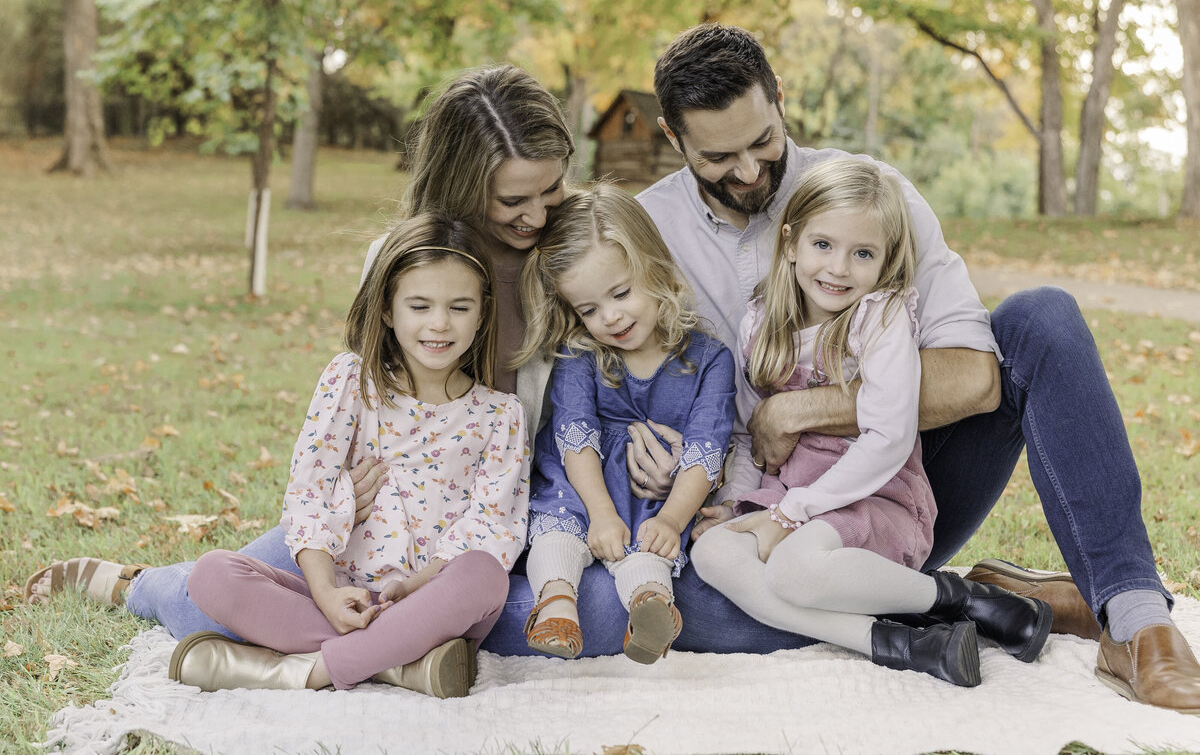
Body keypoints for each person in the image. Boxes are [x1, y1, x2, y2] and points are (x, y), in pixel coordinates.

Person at [630, 22, 1199, 713]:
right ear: (672, 136)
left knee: (1041, 320)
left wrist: (799, 408)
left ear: (779, 98)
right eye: (720, 157)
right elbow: (621, 379)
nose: (749, 173)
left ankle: (1136, 619)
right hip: (755, 502)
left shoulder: (874, 198)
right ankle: (970, 608)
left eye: (763, 142)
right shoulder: (645, 231)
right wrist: (652, 447)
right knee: (699, 610)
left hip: (892, 487)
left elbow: (976, 376)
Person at [23, 63, 575, 637]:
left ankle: (387, 638)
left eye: (552, 189)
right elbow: (359, 413)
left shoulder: (577, 262)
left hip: (503, 520)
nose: (537, 215)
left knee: (586, 617)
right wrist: (344, 500)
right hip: (379, 518)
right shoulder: (399, 261)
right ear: (461, 184)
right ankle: (142, 585)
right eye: (513, 199)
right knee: (203, 607)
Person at [690, 157, 1050, 687]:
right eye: (823, 245)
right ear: (790, 243)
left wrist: (793, 513)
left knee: (795, 570)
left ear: (885, 262)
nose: (838, 268)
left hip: (873, 497)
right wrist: (737, 503)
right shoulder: (761, 322)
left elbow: (889, 437)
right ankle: (905, 644)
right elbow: (750, 434)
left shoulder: (878, 319)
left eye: (862, 254)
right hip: (789, 498)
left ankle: (960, 597)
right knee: (712, 552)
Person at [167, 214, 528, 697]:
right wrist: (328, 594)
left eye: (458, 307)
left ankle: (310, 671)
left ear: (482, 312)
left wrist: (417, 586)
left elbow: (493, 527)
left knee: (483, 574)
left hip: (434, 607)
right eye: (419, 305)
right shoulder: (351, 383)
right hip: (344, 603)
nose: (439, 323)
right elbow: (309, 496)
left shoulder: (499, 415)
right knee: (213, 572)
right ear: (386, 309)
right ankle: (396, 665)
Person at [513, 184, 735, 663]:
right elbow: (575, 435)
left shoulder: (709, 358)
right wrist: (599, 513)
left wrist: (675, 518)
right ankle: (556, 603)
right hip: (582, 486)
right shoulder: (580, 353)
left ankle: (650, 609)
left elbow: (706, 447)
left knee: (651, 547)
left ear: (654, 269)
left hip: (657, 500)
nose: (610, 317)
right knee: (558, 531)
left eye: (621, 293)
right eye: (588, 309)